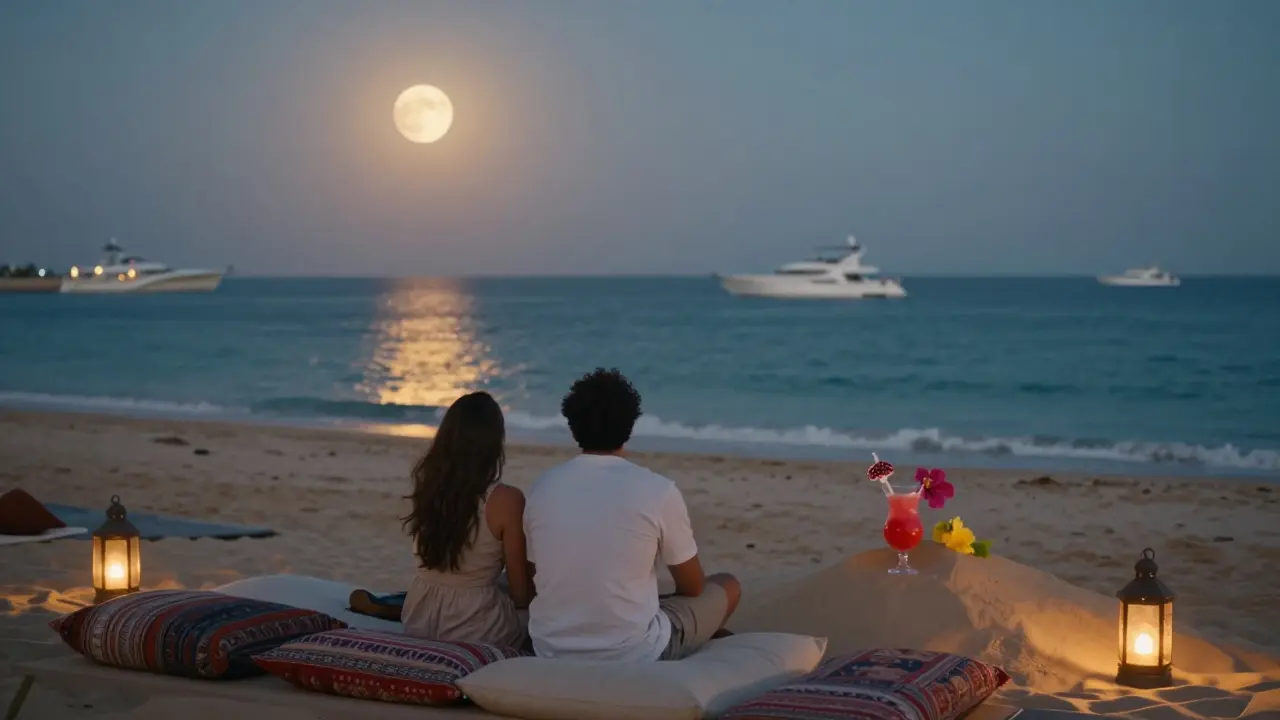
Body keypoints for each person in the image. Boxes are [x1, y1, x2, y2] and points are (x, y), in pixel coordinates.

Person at [523, 368, 741, 661]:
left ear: (572, 427)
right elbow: (692, 586)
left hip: (550, 647)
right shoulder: (658, 490)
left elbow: (536, 576)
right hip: (636, 652)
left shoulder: (543, 487)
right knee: (728, 585)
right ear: (631, 426)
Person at [397, 391, 534, 647]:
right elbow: (520, 593)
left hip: (419, 613)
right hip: (475, 624)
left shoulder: (428, 484)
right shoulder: (506, 499)